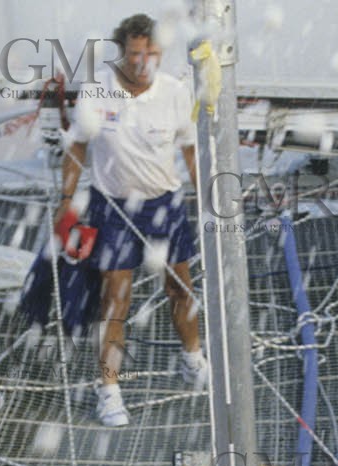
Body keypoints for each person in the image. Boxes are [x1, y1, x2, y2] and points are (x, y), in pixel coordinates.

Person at [56, 13, 203, 427]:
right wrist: (66, 202)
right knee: (115, 300)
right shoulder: (97, 90)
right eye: (136, 54)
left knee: (181, 289)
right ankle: (109, 390)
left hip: (166, 204)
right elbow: (78, 147)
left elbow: (190, 152)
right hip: (114, 207)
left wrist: (210, 201)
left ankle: (191, 359)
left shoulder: (176, 91)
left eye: (152, 53)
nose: (143, 63)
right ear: (122, 53)